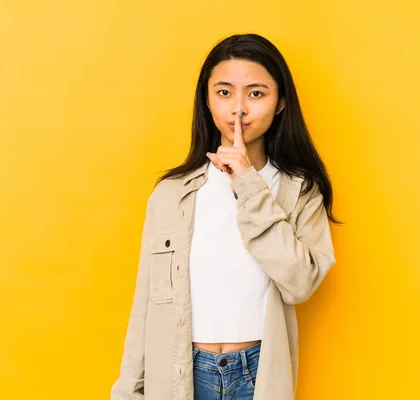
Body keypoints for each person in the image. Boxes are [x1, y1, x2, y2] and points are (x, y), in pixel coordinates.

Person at [111, 33, 338, 400]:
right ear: (207, 100)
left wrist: (248, 183)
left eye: (256, 93)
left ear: (280, 103)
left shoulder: (299, 191)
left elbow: (300, 283)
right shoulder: (172, 194)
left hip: (257, 374)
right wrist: (127, 391)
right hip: (179, 373)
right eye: (224, 92)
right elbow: (147, 305)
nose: (239, 110)